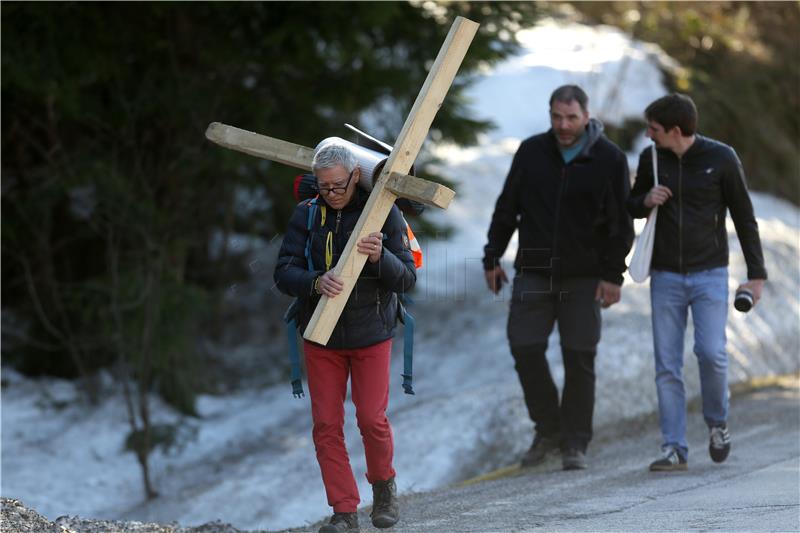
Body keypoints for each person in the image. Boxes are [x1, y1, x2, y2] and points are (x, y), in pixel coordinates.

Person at [483, 85, 634, 471]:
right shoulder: (532, 151)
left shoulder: (609, 159)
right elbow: (507, 207)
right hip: (534, 269)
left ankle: (575, 442)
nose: (563, 125)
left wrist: (612, 274)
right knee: (524, 346)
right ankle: (549, 429)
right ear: (549, 115)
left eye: (571, 118)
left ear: (586, 116)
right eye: (556, 117)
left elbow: (622, 224)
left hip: (585, 275)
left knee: (579, 356)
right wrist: (492, 256)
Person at [274, 142, 416, 532]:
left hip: (371, 332)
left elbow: (407, 278)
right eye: (324, 187)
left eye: (339, 186)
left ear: (356, 176)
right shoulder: (306, 214)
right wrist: (315, 281)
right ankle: (343, 511)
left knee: (371, 419)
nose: (332, 195)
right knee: (326, 426)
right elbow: (283, 272)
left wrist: (379, 257)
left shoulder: (384, 213)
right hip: (321, 336)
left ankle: (384, 489)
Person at [627, 93, 767, 472]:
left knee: (711, 352)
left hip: (710, 274)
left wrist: (756, 274)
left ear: (674, 131)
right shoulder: (651, 159)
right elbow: (631, 203)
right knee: (666, 364)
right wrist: (645, 200)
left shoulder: (721, 158)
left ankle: (717, 424)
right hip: (665, 275)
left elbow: (744, 216)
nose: (648, 135)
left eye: (654, 129)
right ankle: (674, 447)